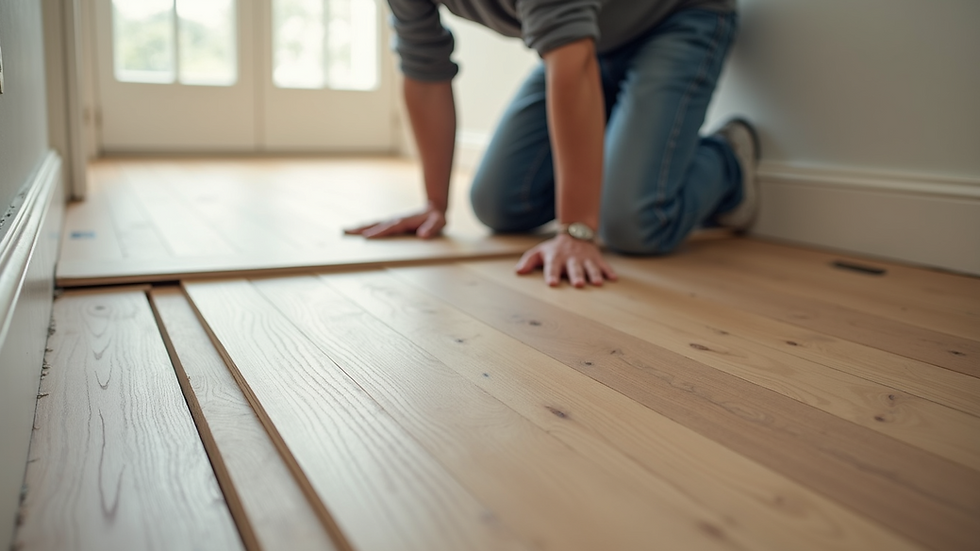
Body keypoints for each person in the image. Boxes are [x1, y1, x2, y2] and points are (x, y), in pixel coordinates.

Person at [346, 0, 759, 289]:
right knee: (498, 204)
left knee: (633, 225)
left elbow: (572, 63)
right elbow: (423, 66)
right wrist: (435, 203)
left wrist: (576, 231)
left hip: (675, 18)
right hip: (588, 39)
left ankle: (728, 160)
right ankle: (624, 145)